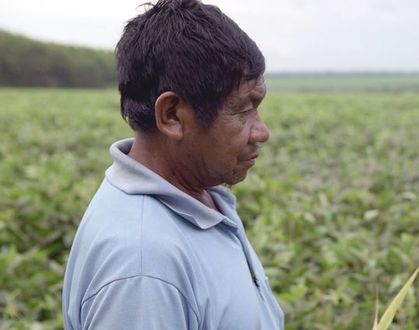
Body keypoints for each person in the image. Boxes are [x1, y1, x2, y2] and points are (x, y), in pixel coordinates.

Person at [62, 0, 284, 329]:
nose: (262, 131)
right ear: (172, 116)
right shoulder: (142, 265)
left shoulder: (200, 198)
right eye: (242, 109)